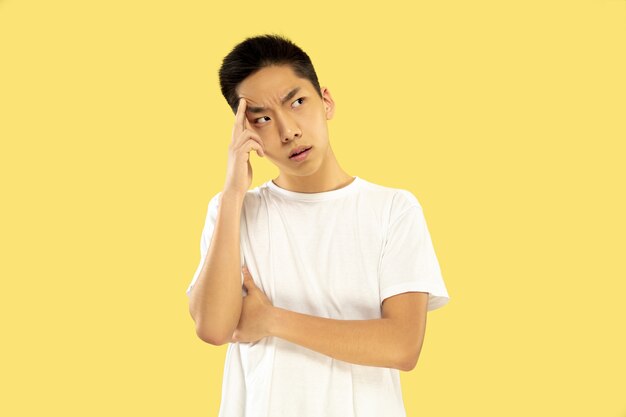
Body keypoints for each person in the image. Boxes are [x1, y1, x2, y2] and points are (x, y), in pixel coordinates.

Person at [186, 33, 450, 417]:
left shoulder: (393, 209)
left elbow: (402, 346)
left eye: (297, 102)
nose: (288, 130)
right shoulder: (233, 211)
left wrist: (272, 320)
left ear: (326, 101)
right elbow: (212, 327)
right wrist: (232, 192)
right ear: (246, 133)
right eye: (262, 118)